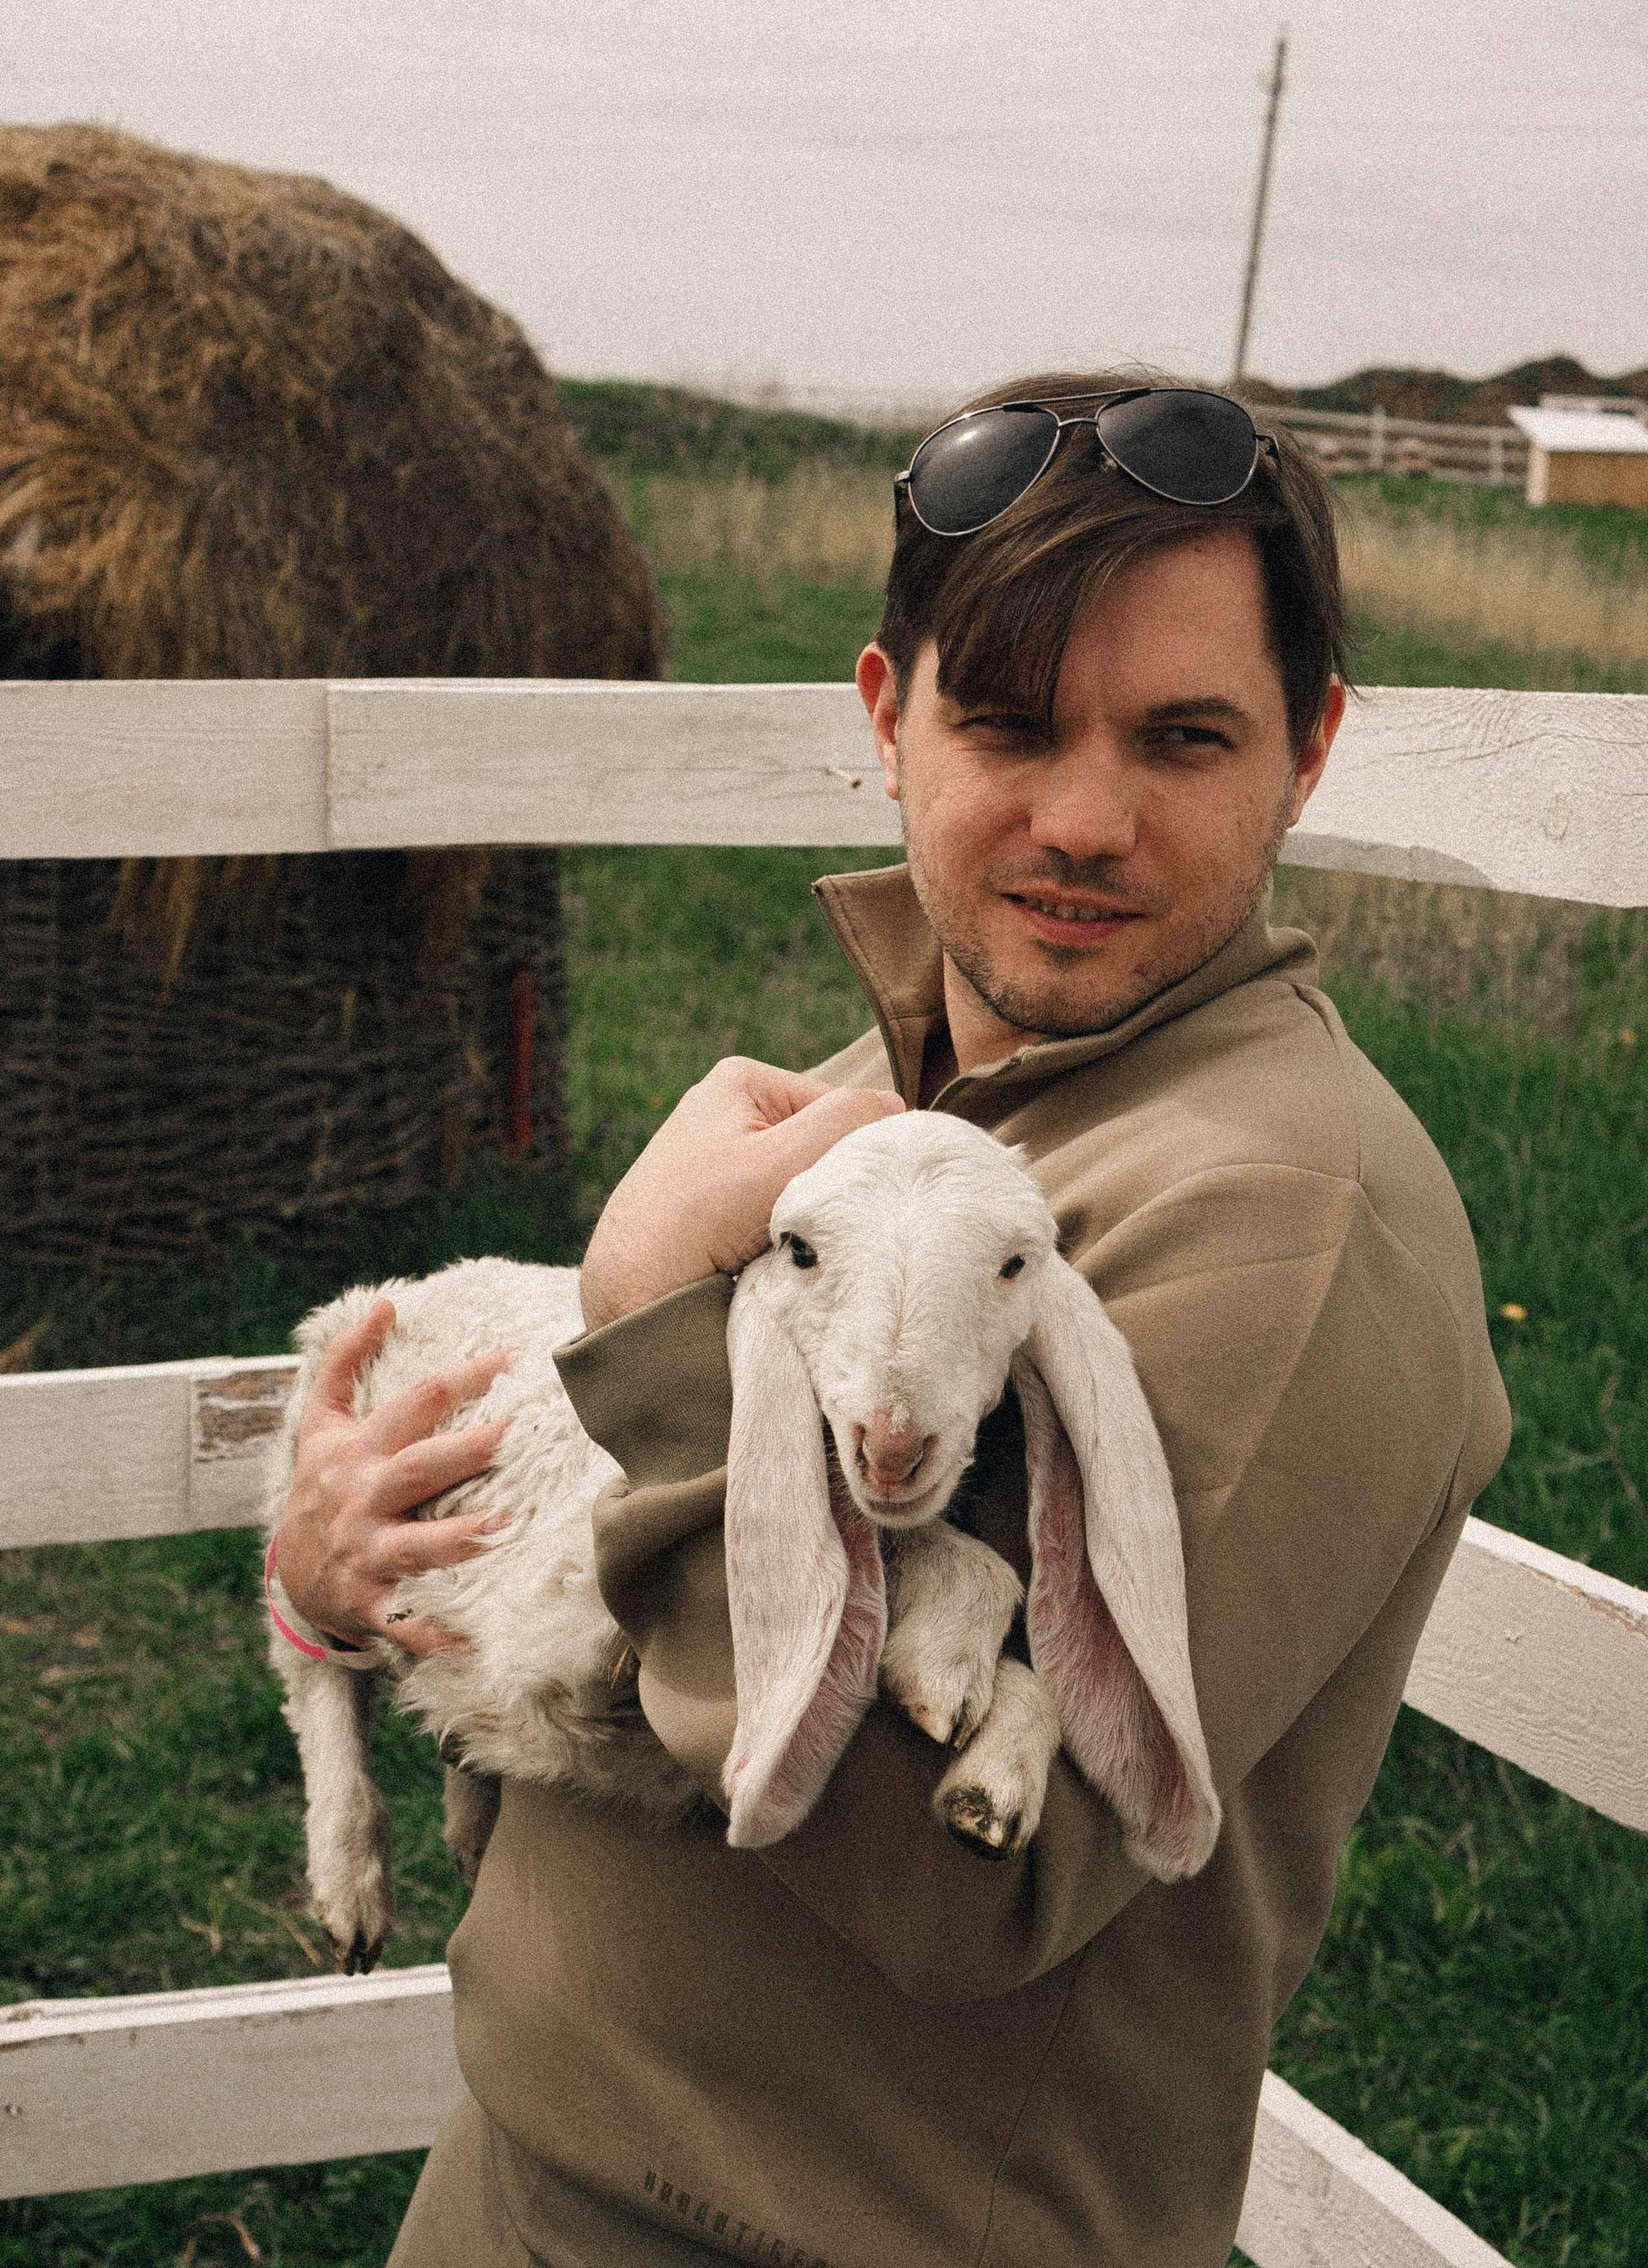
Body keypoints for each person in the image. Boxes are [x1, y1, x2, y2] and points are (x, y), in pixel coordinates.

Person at [275, 373, 1510, 2268]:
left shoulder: (1288, 1216)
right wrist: (369, 1558)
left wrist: (656, 1327)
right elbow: (622, 1566)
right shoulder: (913, 1094)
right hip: (538, 2156)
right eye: (1008, 723)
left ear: (1312, 745)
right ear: (885, 720)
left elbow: (966, 1897)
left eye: (1185, 738)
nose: (1085, 817)